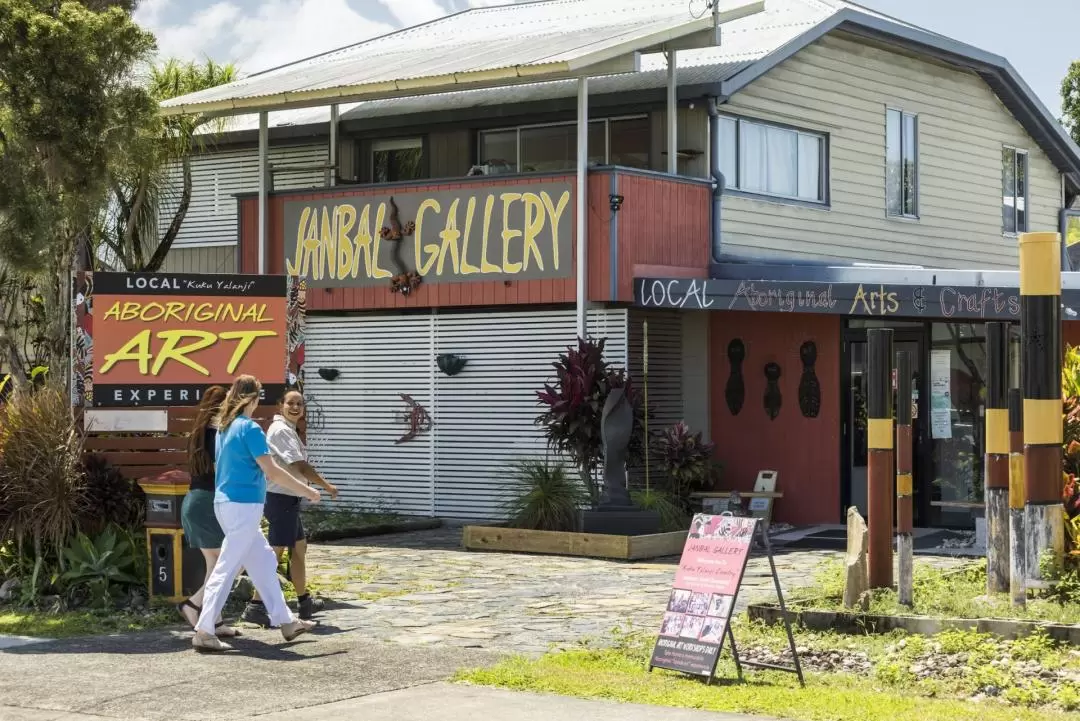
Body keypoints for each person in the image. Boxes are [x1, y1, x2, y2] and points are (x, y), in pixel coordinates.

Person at [192, 374, 321, 653]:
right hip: (243, 507)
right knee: (226, 569)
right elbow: (272, 470)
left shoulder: (226, 427)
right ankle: (204, 630)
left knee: (263, 562)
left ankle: (286, 621)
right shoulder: (249, 429)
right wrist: (306, 490)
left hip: (227, 504)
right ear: (254, 398)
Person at [241, 389, 338, 627]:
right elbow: (299, 466)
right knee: (275, 553)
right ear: (280, 405)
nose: (295, 407)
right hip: (279, 497)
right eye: (290, 403)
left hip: (289, 498)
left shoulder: (289, 430)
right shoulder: (281, 430)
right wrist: (326, 485)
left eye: (299, 404)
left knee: (299, 548)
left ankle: (304, 601)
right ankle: (255, 606)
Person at [177, 386, 240, 638]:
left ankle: (215, 619)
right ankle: (193, 605)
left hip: (195, 500)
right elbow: (221, 470)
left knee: (216, 563)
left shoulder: (197, 433)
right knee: (233, 562)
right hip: (209, 502)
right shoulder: (216, 433)